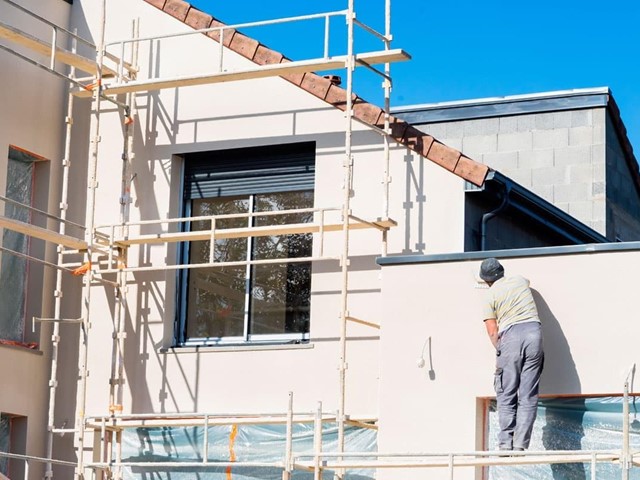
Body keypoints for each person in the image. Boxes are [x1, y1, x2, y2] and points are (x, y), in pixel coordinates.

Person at [479, 258, 544, 451]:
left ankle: (506, 445)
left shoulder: (489, 296)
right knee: (528, 394)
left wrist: (501, 350)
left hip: (511, 337)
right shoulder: (518, 280)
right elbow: (527, 281)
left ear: (486, 280)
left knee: (506, 392)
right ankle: (520, 446)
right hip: (535, 334)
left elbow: (492, 331)